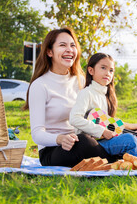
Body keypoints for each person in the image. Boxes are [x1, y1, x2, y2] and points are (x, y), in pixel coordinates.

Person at [24, 28, 115, 167]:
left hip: (84, 139)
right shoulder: (40, 85)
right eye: (62, 45)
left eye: (72, 45)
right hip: (54, 150)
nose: (69, 50)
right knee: (85, 141)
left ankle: (127, 152)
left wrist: (129, 128)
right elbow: (37, 134)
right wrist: (60, 139)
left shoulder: (81, 81)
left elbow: (97, 116)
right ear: (49, 52)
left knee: (116, 137)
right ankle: (119, 161)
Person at [69, 52, 137, 160]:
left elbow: (109, 122)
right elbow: (74, 118)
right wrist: (102, 131)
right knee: (129, 139)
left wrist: (132, 128)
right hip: (92, 144)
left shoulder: (105, 96)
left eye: (111, 70)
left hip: (104, 140)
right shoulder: (86, 93)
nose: (108, 73)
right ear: (91, 70)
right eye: (103, 68)